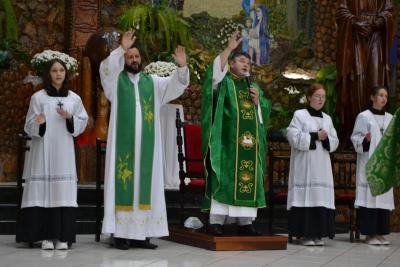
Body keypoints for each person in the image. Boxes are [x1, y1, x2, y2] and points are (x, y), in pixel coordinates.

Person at [99, 30, 189, 250]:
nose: (134, 60)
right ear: (124, 60)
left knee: (147, 186)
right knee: (124, 183)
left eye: (137, 56)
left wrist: (182, 67)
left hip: (148, 151)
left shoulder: (153, 83)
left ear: (142, 60)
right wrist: (121, 48)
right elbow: (106, 69)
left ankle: (143, 235)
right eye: (130, 57)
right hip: (125, 149)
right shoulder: (115, 83)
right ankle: (120, 235)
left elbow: (176, 85)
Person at [201, 31, 272, 236]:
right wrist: (229, 48)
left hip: (249, 147)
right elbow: (214, 74)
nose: (245, 65)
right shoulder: (224, 82)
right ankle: (216, 221)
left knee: (248, 178)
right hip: (226, 144)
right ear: (231, 63)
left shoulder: (253, 86)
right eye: (241, 61)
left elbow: (265, 110)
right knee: (223, 176)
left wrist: (259, 103)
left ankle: (245, 222)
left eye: (248, 63)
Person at [16, 58, 88, 250]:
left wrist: (70, 117)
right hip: (43, 152)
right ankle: (45, 237)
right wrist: (38, 122)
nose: (58, 74)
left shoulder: (74, 98)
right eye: (54, 70)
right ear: (49, 74)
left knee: (62, 193)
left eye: (61, 70)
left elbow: (82, 121)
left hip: (64, 152)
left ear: (66, 74)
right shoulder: (38, 98)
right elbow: (28, 125)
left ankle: (63, 237)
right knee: (44, 192)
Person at [286, 83, 339, 246]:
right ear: (309, 97)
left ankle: (318, 235)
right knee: (305, 198)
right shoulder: (300, 115)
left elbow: (335, 140)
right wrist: (315, 136)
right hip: (305, 165)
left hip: (322, 165)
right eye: (317, 96)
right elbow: (292, 135)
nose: (320, 99)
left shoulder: (327, 118)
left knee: (319, 198)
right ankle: (304, 235)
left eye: (323, 97)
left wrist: (326, 138)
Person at [336, 0, 394, 145]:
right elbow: (341, 11)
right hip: (355, 38)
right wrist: (355, 23)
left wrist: (376, 23)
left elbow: (390, 11)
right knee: (356, 82)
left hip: (376, 39)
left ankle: (378, 136)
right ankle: (356, 135)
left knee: (375, 81)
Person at [351, 86, 394, 245]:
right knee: (369, 197)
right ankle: (369, 234)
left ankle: (380, 233)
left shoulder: (391, 118)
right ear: (372, 97)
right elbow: (355, 139)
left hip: (384, 166)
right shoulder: (364, 116)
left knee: (382, 197)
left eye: (386, 96)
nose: (384, 98)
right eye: (381, 95)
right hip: (370, 164)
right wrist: (365, 141)